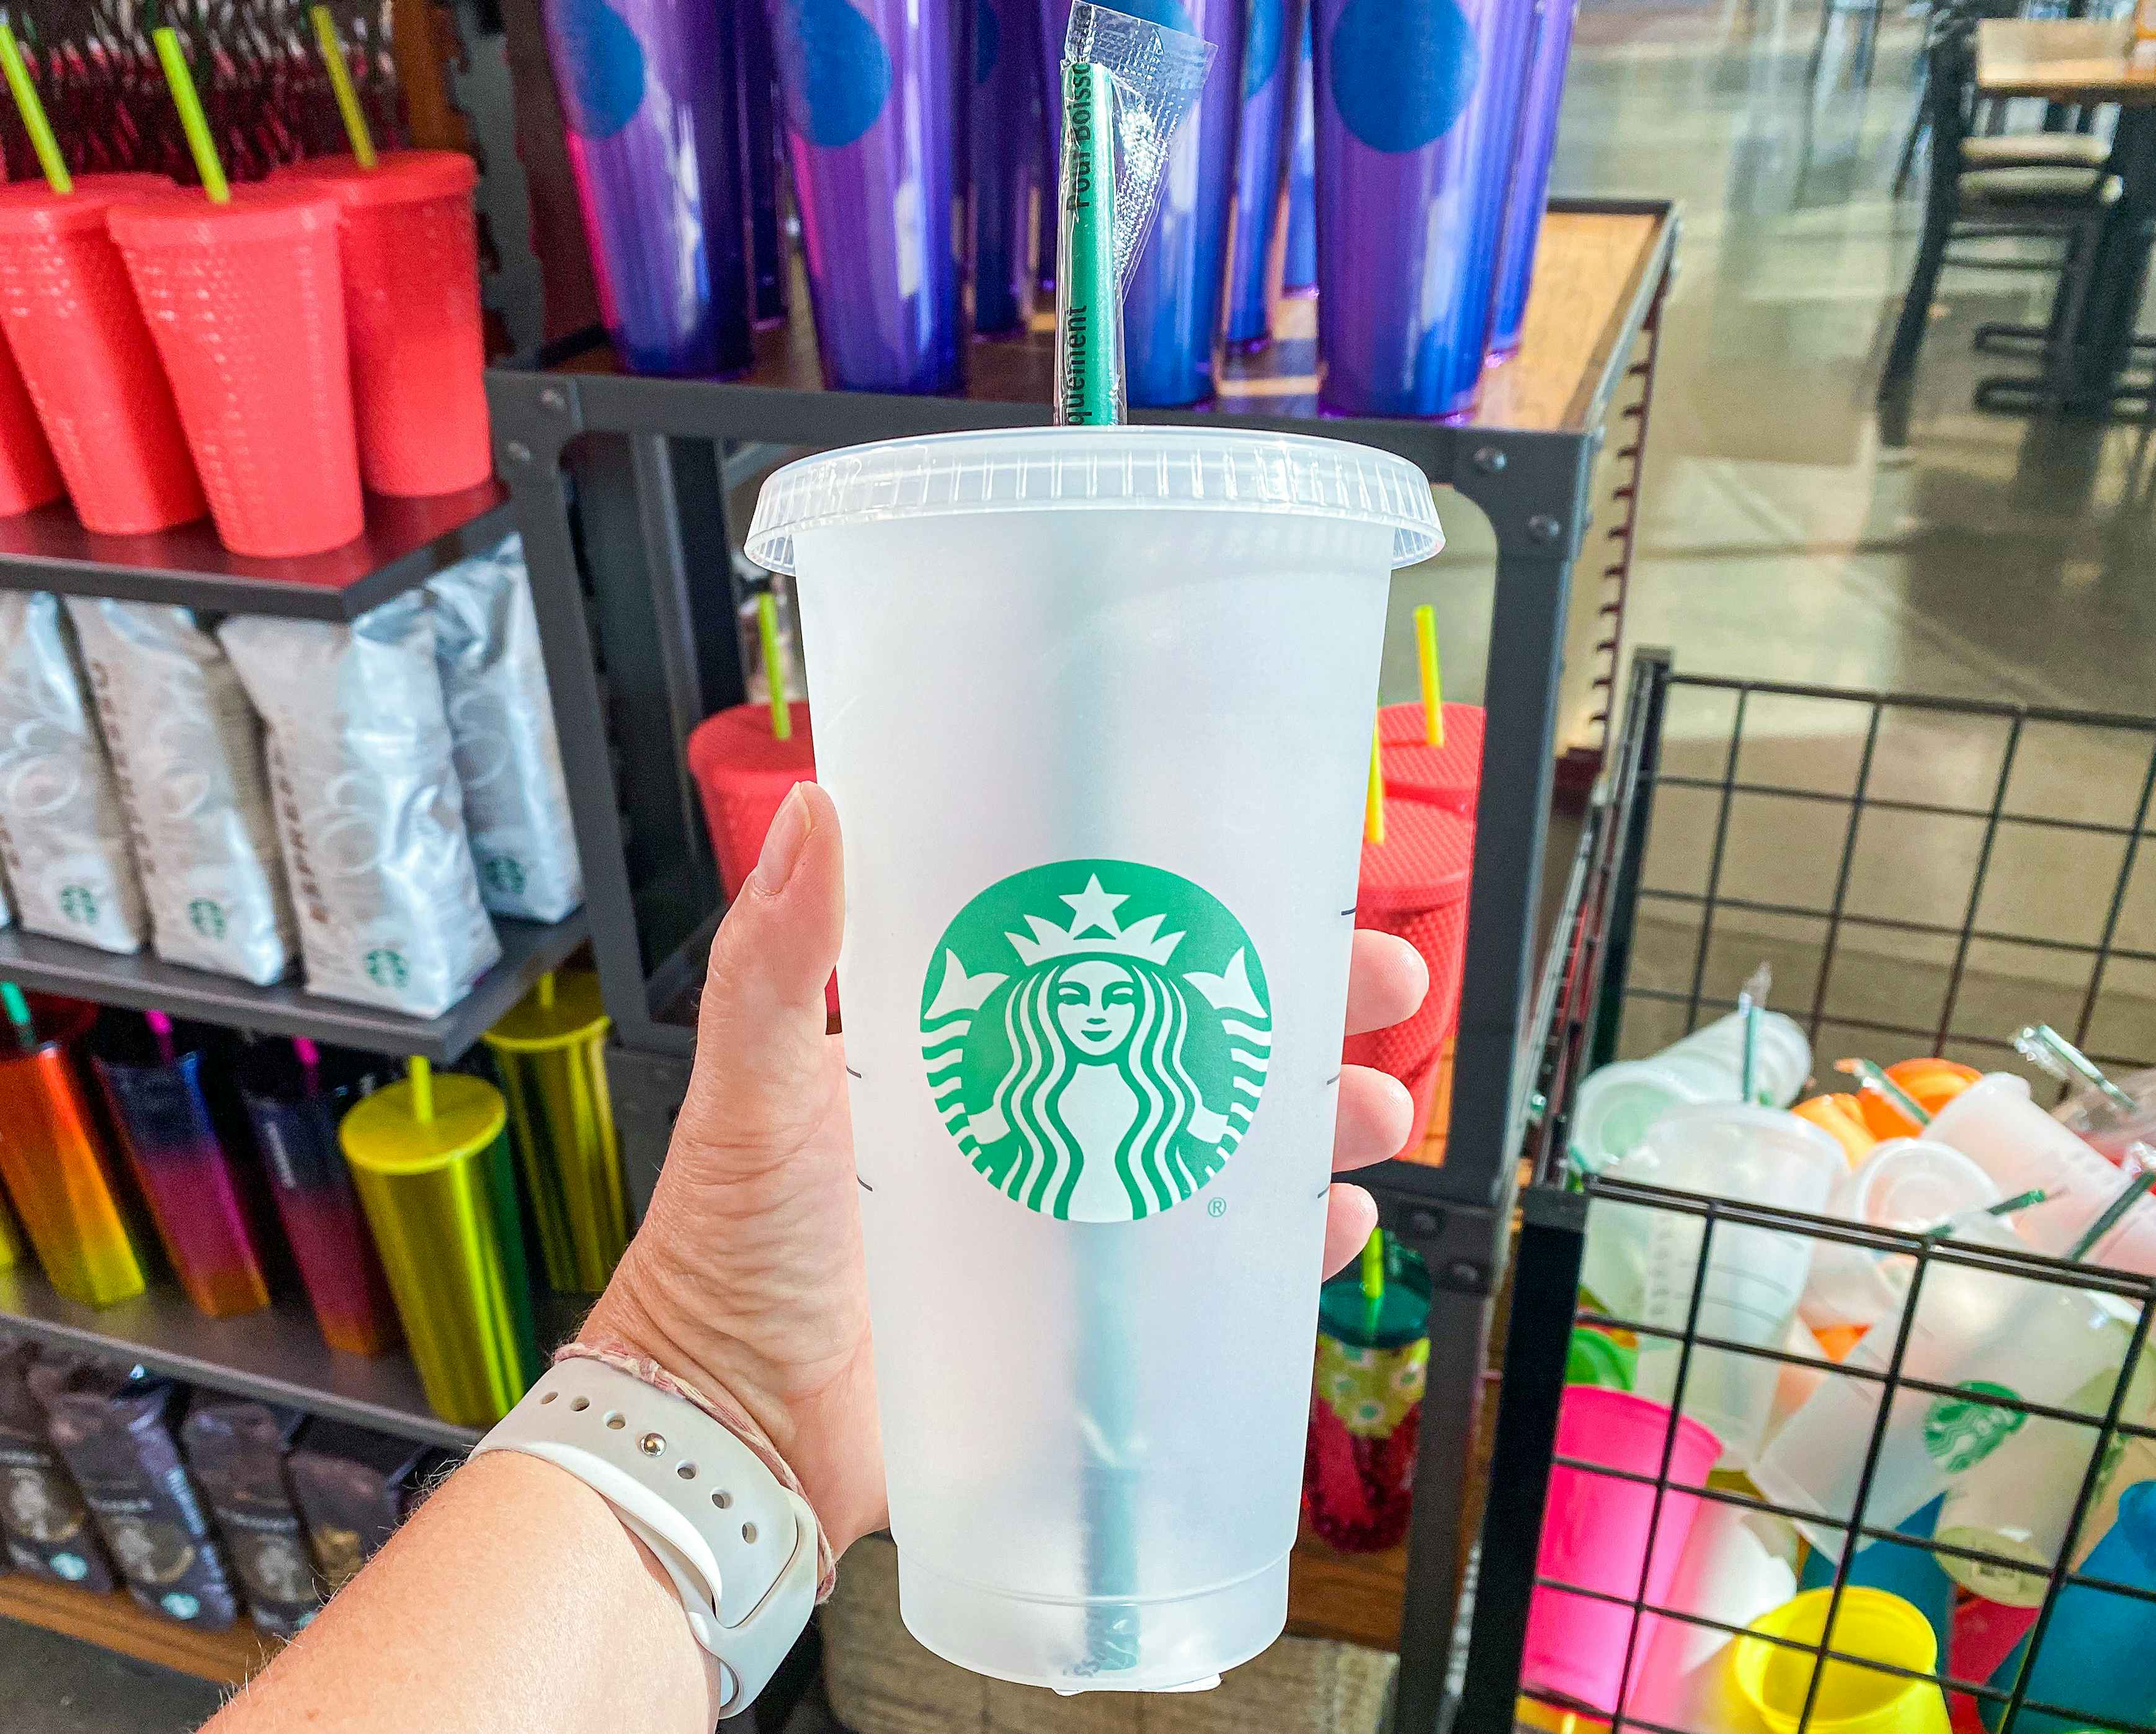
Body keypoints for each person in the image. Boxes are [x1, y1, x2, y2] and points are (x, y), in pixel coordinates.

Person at [207, 785, 1427, 1734]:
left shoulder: (1176, 1107)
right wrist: (724, 1393)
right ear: (1033, 1009)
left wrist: (725, 1410)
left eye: (1125, 987)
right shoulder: (1010, 1111)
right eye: (1072, 988)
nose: (1100, 1008)